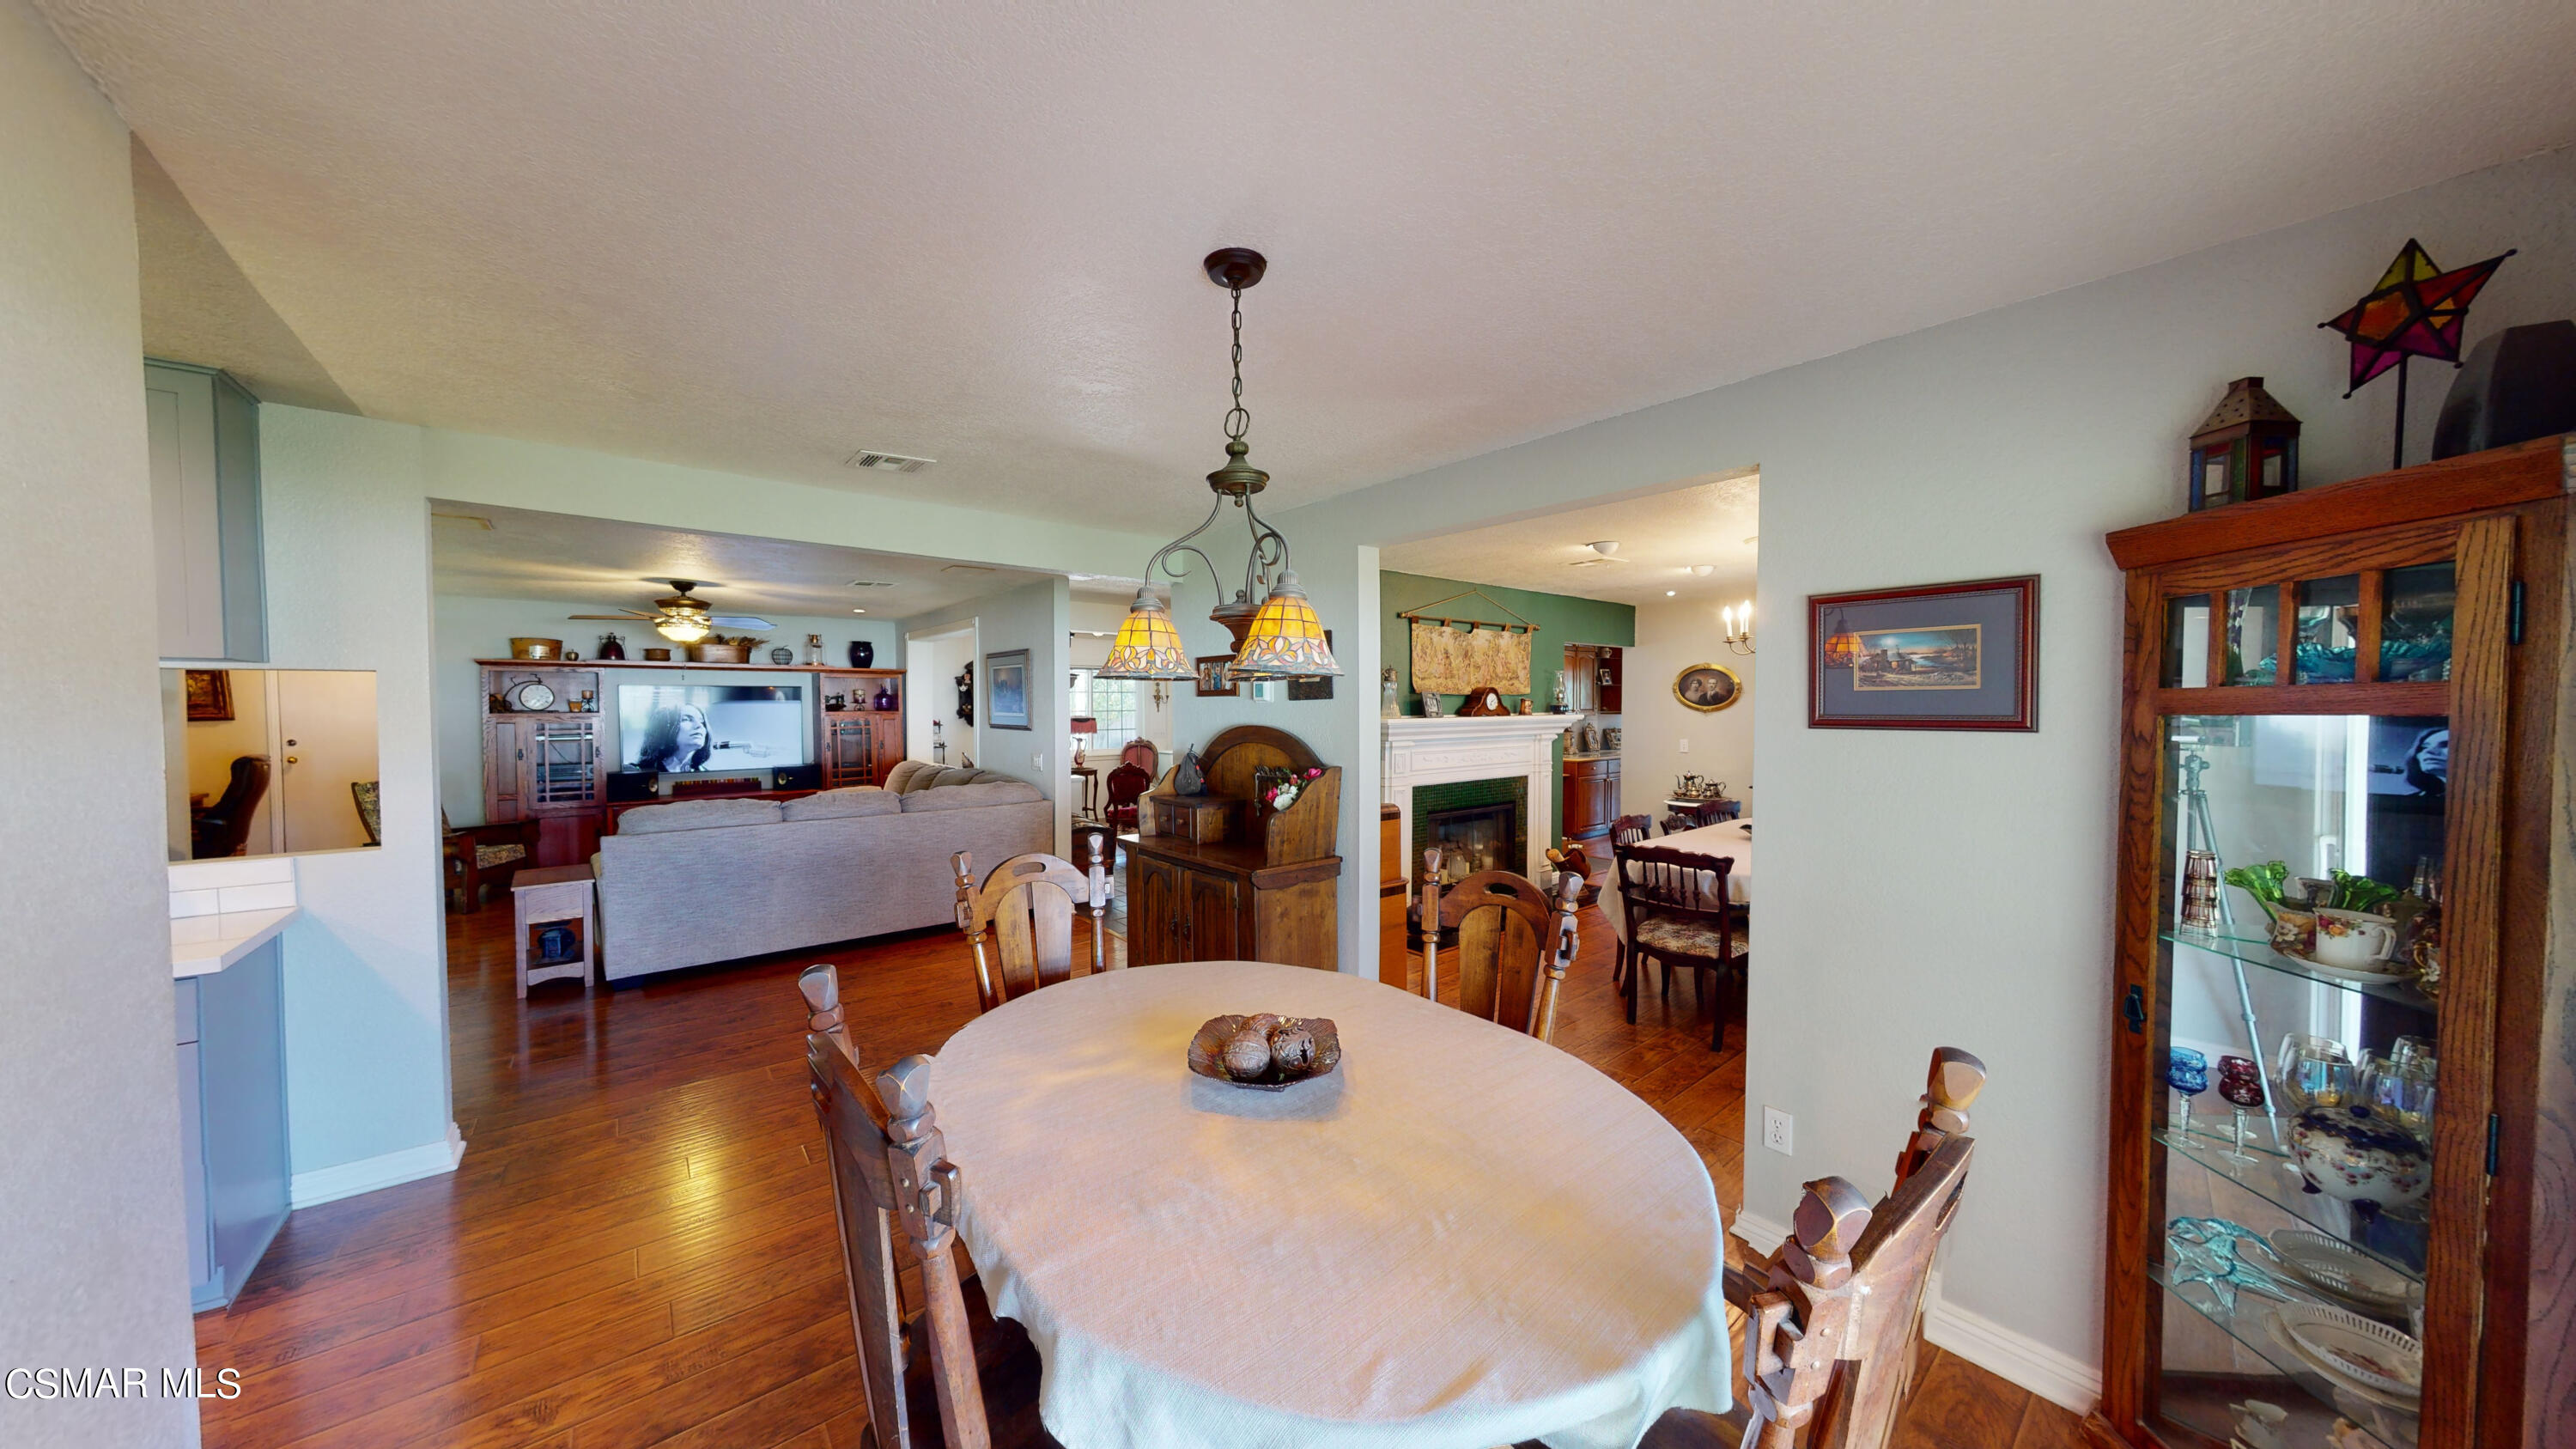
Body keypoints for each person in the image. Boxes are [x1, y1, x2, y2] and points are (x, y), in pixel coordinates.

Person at [636, 703, 712, 773]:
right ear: (664, 729)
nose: (699, 726)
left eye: (702, 722)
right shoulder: (640, 773)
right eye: (686, 719)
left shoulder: (708, 776)